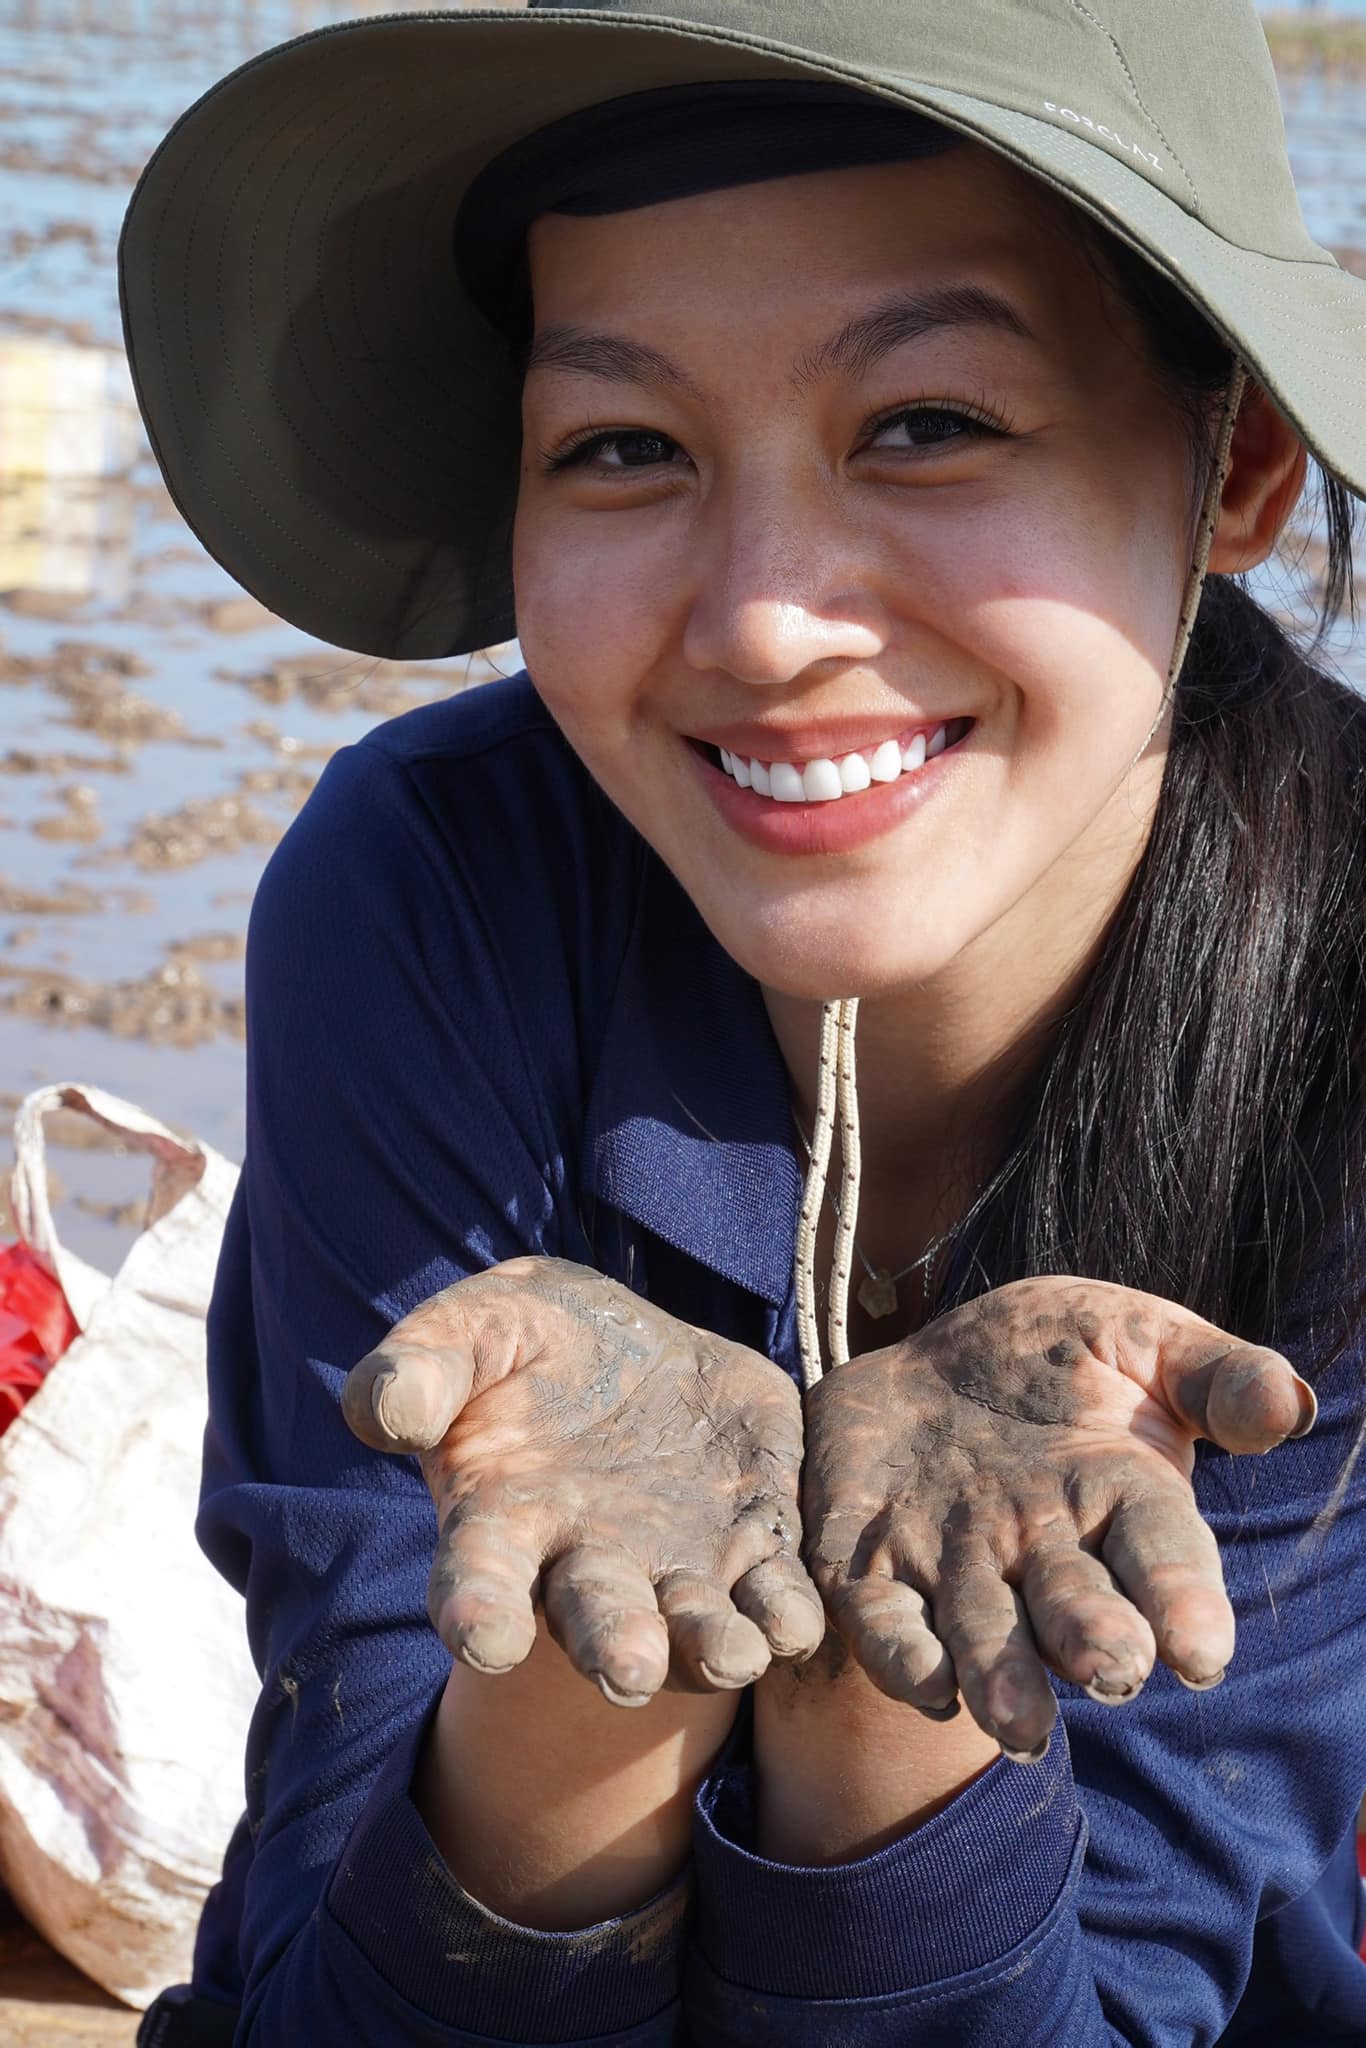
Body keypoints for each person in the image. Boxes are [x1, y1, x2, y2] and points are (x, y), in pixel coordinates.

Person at [120, 3, 1366, 2043]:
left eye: (928, 420)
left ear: (1225, 463)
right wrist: (568, 1680)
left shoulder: (1328, 1023)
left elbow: (1160, 1991)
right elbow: (311, 1981)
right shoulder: (428, 895)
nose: (767, 618)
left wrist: (902, 1691)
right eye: (622, 446)